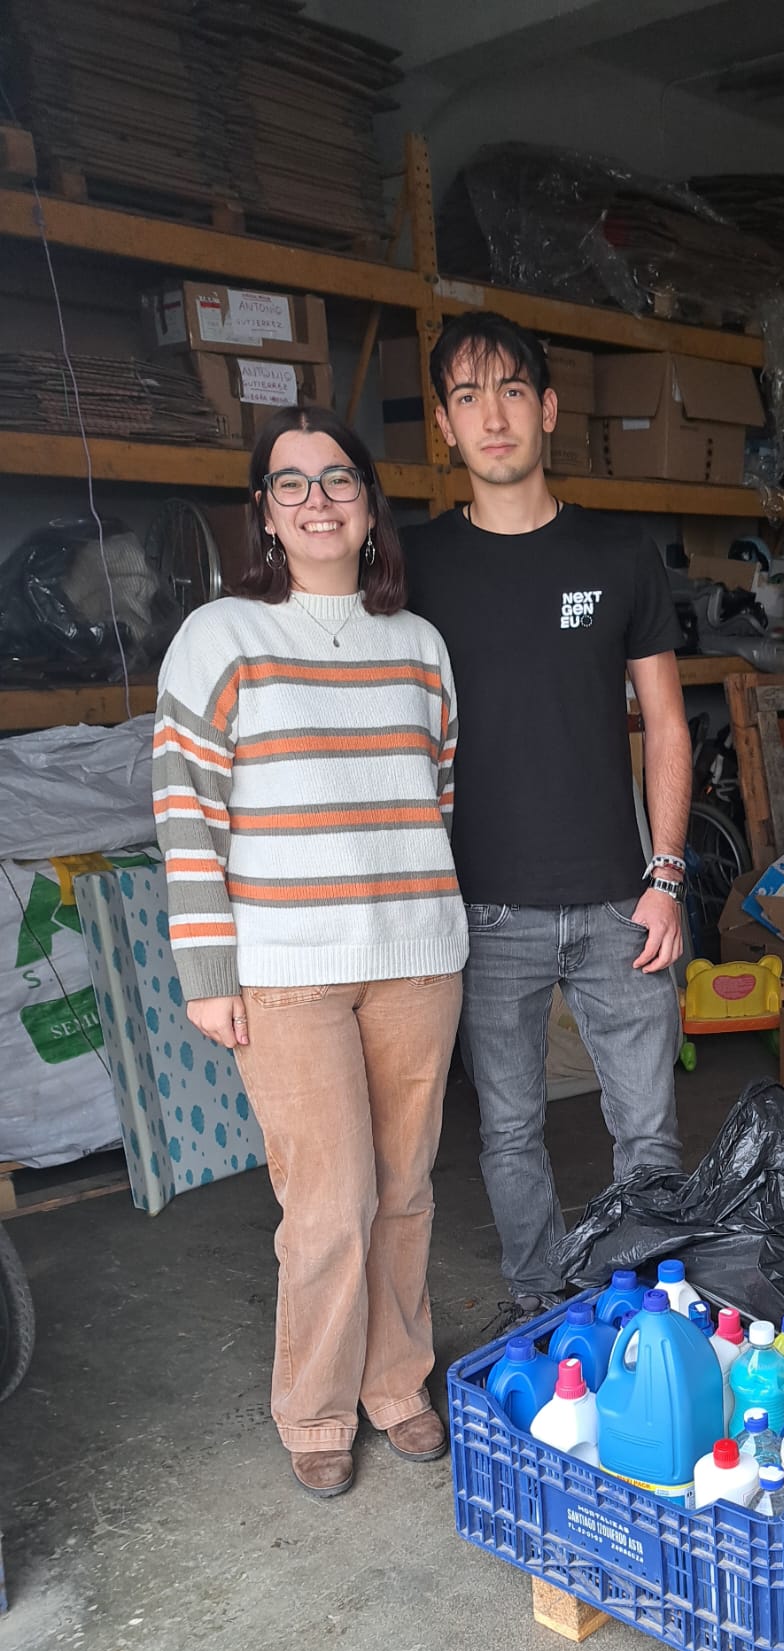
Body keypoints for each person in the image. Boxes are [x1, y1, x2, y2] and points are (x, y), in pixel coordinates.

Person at [153, 407, 467, 1499]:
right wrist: (208, 972)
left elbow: (435, 796)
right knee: (329, 1204)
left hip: (416, 956)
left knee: (406, 1189)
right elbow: (185, 813)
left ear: (370, 506)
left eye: (338, 479)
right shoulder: (222, 636)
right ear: (266, 513)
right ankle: (318, 1407)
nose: (317, 500)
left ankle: (395, 1382)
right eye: (291, 483)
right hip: (287, 970)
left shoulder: (419, 646)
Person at [402, 311, 689, 1319]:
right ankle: (542, 1303)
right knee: (510, 1133)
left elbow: (665, 722)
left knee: (648, 1133)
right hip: (484, 909)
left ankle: (648, 1310)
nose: (494, 417)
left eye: (513, 391)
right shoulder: (413, 567)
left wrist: (667, 875)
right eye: (468, 396)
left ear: (550, 409)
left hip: (621, 902)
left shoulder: (619, 552)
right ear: (444, 424)